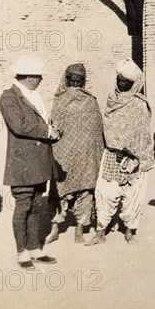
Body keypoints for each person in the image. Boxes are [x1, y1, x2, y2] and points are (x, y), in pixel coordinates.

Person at [0, 54, 60, 269]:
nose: (41, 80)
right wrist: (47, 130)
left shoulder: (32, 95)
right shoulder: (9, 97)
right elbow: (19, 125)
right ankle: (22, 253)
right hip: (22, 163)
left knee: (36, 206)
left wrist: (52, 130)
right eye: (38, 76)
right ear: (29, 77)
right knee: (23, 206)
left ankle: (34, 248)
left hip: (38, 161)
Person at [87, 58, 154, 245]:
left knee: (133, 197)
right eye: (119, 79)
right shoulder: (112, 100)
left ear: (134, 84)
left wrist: (132, 153)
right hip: (111, 155)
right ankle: (100, 232)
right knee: (104, 194)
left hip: (134, 158)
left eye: (126, 81)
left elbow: (142, 134)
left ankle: (130, 231)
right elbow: (109, 127)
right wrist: (115, 146)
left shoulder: (140, 104)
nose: (121, 84)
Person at [45, 63, 104, 244]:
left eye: (79, 82)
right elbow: (54, 126)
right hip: (64, 155)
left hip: (86, 155)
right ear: (66, 80)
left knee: (85, 191)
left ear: (84, 82)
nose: (76, 85)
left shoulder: (90, 101)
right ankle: (55, 228)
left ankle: (79, 229)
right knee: (58, 191)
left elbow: (97, 129)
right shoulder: (60, 100)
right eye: (73, 81)